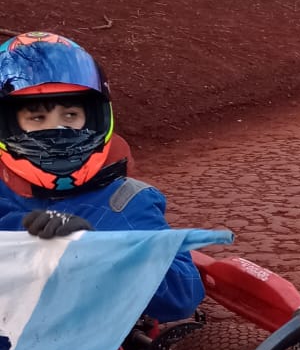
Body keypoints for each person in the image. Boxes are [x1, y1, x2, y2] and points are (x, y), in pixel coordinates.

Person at [0, 32, 204, 319]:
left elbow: (181, 295)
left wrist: (100, 252)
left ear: (95, 118)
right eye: (37, 118)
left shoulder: (124, 202)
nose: (57, 131)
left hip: (80, 337)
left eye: (70, 116)